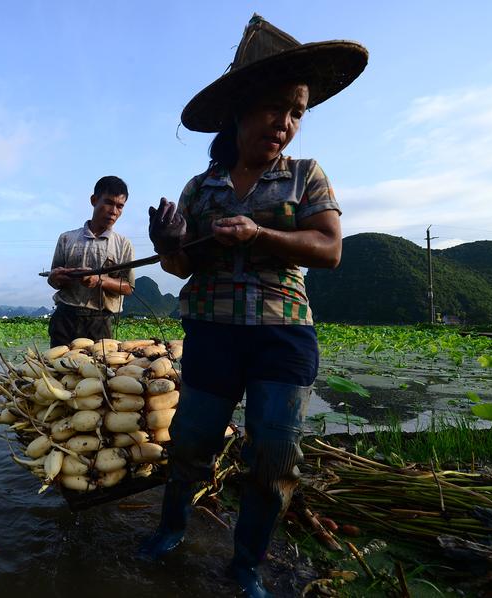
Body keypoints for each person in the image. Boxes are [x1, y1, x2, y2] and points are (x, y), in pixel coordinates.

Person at [140, 15, 368, 597]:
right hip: (212, 330)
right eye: (275, 108)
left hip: (282, 335)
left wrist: (259, 236)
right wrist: (167, 241)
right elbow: (181, 266)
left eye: (296, 112)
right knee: (190, 442)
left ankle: (245, 564)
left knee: (273, 458)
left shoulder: (305, 176)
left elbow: (329, 249)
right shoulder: (201, 187)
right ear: (241, 110)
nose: (285, 124)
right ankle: (171, 529)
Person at [46, 175, 135, 347]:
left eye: (120, 206)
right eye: (108, 202)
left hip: (99, 321)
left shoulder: (123, 245)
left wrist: (99, 280)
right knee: (58, 369)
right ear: (94, 200)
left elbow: (128, 287)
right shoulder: (67, 239)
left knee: (98, 371)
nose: (114, 211)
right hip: (65, 317)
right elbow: (53, 280)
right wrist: (56, 277)